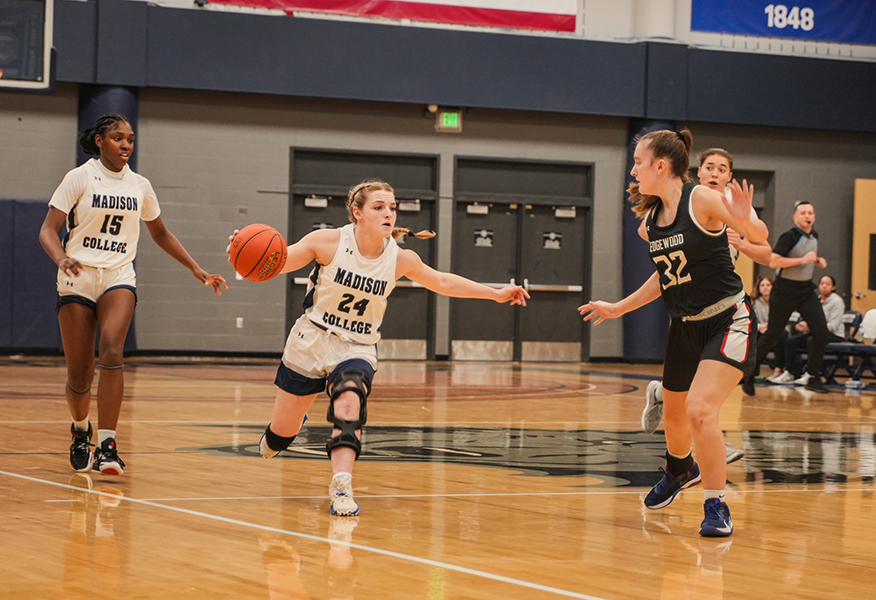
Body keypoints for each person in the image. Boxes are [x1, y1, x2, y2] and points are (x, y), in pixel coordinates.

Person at [250, 178, 529, 517]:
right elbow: (277, 260)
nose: (388, 214)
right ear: (358, 213)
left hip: (358, 345)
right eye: (379, 207)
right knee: (277, 440)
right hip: (311, 340)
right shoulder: (327, 242)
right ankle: (283, 430)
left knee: (350, 398)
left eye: (392, 208)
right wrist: (243, 251)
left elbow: (441, 281)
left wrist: (495, 293)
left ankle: (341, 486)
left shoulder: (400, 258)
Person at [580, 129, 768, 537]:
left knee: (701, 411)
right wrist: (617, 307)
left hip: (728, 318)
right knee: (676, 415)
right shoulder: (650, 223)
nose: (633, 170)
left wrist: (745, 214)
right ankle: (680, 469)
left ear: (660, 166)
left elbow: (759, 237)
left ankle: (716, 503)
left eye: (638, 162)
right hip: (685, 326)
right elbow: (665, 277)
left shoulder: (700, 198)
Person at [38, 113, 227, 475]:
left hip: (118, 275)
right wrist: (61, 258)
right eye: (118, 138)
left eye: (131, 140)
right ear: (100, 141)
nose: (126, 145)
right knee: (79, 378)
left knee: (112, 349)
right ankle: (81, 430)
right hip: (77, 276)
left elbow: (159, 233)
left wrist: (195, 268)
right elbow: (48, 229)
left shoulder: (140, 185)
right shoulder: (79, 177)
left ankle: (108, 445)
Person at [641, 148, 771, 467]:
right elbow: (665, 265)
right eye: (709, 167)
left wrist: (742, 240)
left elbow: (766, 251)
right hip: (688, 307)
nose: (714, 173)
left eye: (722, 168)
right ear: (698, 172)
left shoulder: (734, 207)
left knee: (708, 389)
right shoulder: (682, 203)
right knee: (693, 389)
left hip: (722, 307)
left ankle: (682, 412)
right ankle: (668, 401)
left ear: (729, 176)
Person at [742, 201, 830, 395]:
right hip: (784, 291)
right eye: (803, 213)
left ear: (814, 217)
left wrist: (815, 260)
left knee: (821, 331)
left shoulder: (814, 235)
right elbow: (773, 261)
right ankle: (748, 373)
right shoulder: (789, 236)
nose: (807, 215)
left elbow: (806, 257)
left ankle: (812, 376)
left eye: (810, 213)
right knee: (773, 335)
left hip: (805, 290)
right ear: (795, 217)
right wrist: (802, 260)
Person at [771, 275, 844, 384]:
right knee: (791, 341)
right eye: (822, 283)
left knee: (812, 340)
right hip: (815, 332)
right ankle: (790, 373)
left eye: (827, 284)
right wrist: (804, 325)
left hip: (834, 334)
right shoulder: (817, 300)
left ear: (833, 287)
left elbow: (833, 325)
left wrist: (810, 326)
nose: (824, 286)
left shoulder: (837, 301)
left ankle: (811, 374)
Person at [749, 276, 790, 382]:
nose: (765, 288)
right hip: (760, 330)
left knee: (781, 335)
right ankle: (752, 372)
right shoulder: (753, 302)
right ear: (758, 288)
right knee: (753, 338)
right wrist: (759, 327)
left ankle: (778, 370)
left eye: (768, 285)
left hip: (775, 329)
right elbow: (749, 321)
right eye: (762, 285)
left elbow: (784, 318)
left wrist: (770, 326)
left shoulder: (779, 301)